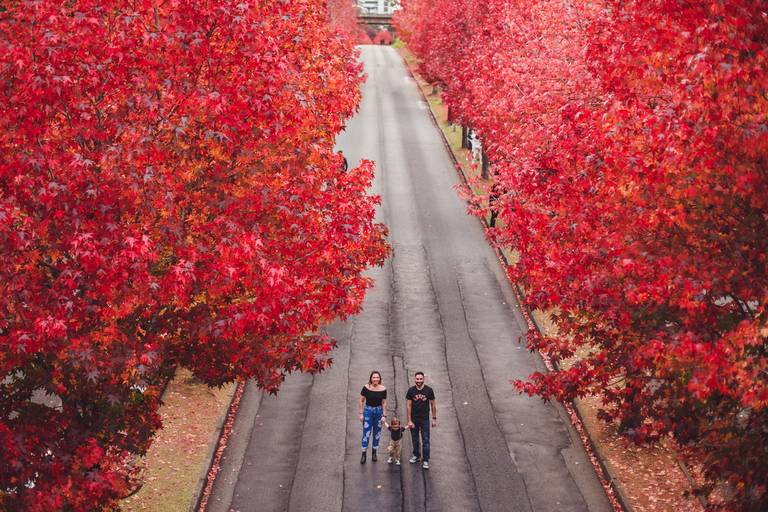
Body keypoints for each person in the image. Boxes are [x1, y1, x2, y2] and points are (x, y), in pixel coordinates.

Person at [406, 371, 437, 470]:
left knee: (426, 440)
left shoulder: (429, 390)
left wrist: (434, 418)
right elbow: (408, 406)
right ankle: (416, 455)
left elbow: (433, 405)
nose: (419, 381)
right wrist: (409, 421)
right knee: (415, 439)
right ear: (415, 379)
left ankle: (426, 460)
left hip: (424, 419)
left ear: (423, 379)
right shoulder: (411, 391)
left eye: (420, 379)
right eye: (417, 379)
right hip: (414, 419)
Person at [359, 370, 387, 464]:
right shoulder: (366, 388)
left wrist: (384, 415)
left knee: (377, 433)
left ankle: (374, 453)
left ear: (380, 379)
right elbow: (361, 400)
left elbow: (384, 403)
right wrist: (361, 413)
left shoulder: (383, 389)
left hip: (379, 412)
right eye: (374, 377)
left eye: (377, 377)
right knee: (366, 433)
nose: (375, 379)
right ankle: (364, 454)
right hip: (368, 412)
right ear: (371, 378)